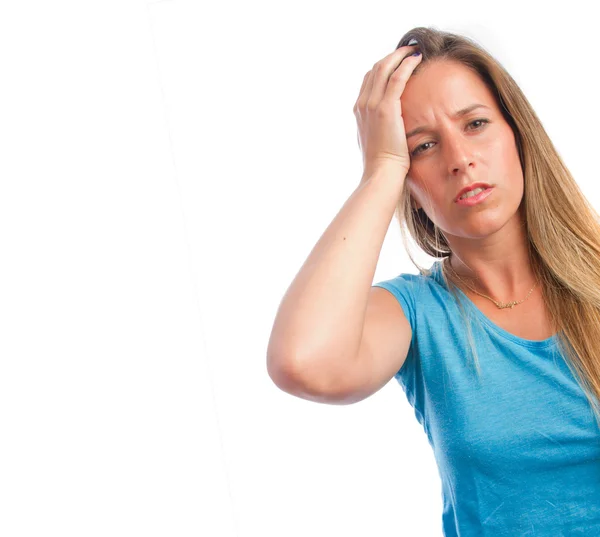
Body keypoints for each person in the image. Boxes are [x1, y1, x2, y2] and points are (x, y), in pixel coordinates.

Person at [266, 26, 600, 535]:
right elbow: (303, 361)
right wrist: (379, 169)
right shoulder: (417, 314)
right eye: (423, 146)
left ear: (518, 134)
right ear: (408, 181)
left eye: (476, 124)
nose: (460, 160)